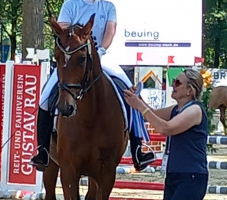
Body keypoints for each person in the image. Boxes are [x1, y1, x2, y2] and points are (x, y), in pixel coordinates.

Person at [30, 0, 155, 171]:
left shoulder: (108, 6)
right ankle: (43, 150)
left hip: (100, 55)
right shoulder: (70, 4)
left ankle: (137, 149)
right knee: (44, 99)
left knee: (129, 91)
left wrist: (101, 50)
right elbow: (63, 30)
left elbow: (110, 31)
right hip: (74, 58)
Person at [124, 69, 209, 200]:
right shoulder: (176, 109)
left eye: (178, 83)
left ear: (189, 91)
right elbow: (152, 114)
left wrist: (140, 106)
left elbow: (166, 128)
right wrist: (138, 99)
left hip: (191, 176)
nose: (173, 85)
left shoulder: (195, 110)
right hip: (176, 174)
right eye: (174, 81)